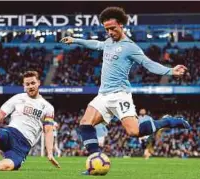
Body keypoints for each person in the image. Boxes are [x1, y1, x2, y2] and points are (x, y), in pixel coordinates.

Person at [60, 6, 190, 173]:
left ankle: (169, 121)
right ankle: (95, 162)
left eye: (113, 28)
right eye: (106, 29)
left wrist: (171, 71)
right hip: (103, 95)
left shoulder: (130, 47)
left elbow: (148, 64)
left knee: (134, 132)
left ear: (121, 25)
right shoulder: (108, 42)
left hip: (120, 95)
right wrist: (76, 40)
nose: (110, 32)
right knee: (85, 124)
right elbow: (97, 44)